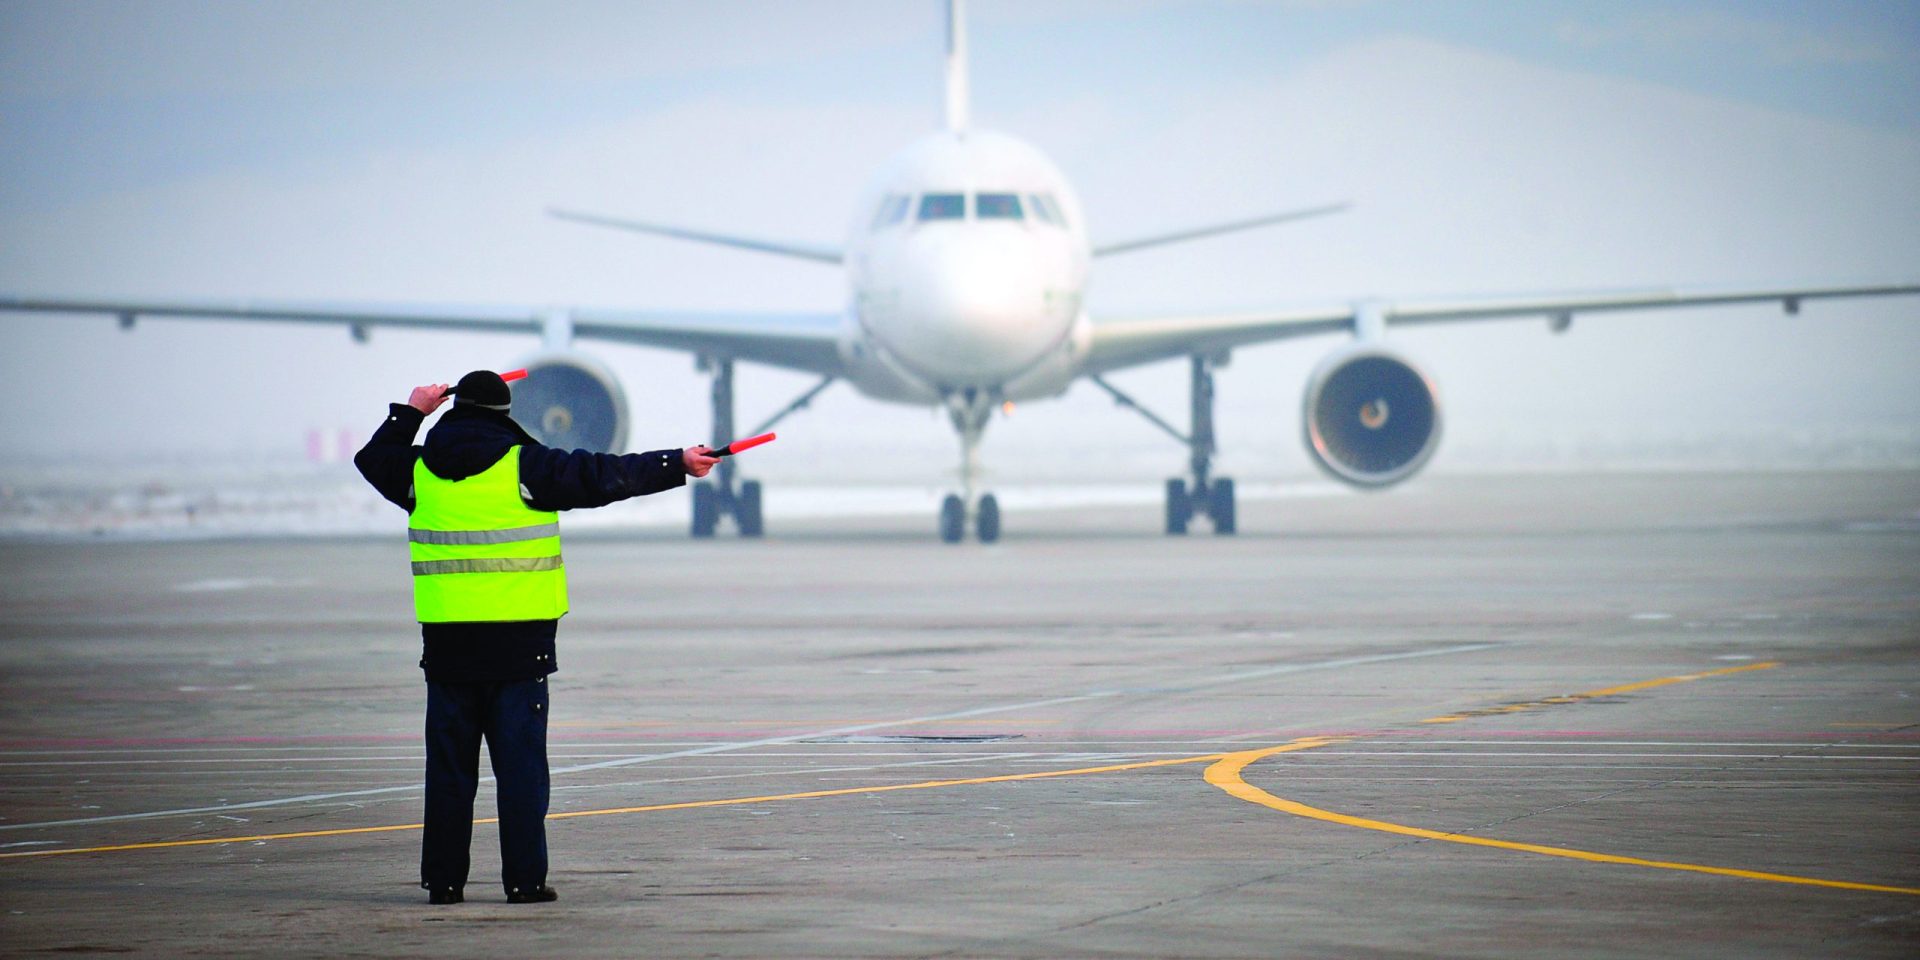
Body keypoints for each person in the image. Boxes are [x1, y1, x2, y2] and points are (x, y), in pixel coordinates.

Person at [354, 370, 719, 905]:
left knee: (450, 776)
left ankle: (444, 883)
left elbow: (372, 459)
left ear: (455, 410)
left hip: (449, 652)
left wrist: (411, 411)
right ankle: (524, 882)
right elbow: (605, 474)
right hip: (520, 651)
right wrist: (676, 463)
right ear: (505, 415)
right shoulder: (527, 466)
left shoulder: (418, 474)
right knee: (522, 775)